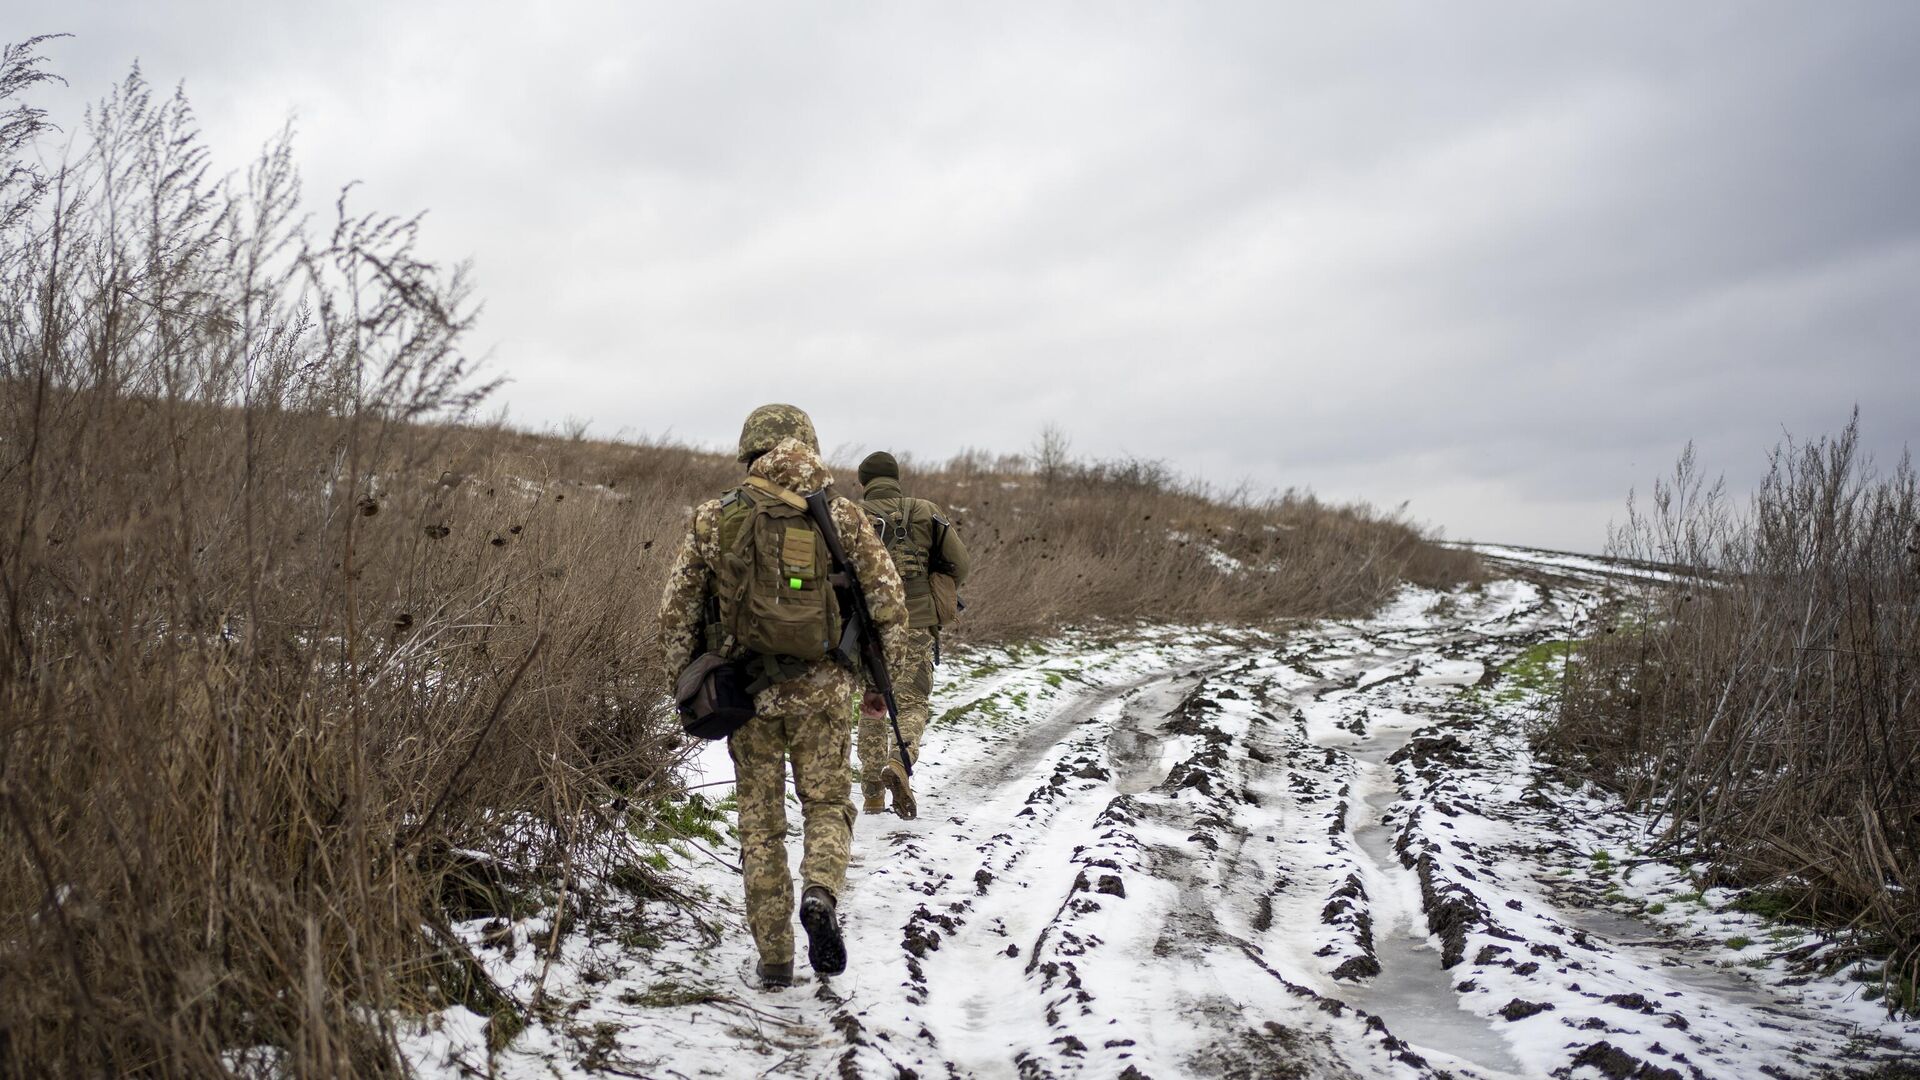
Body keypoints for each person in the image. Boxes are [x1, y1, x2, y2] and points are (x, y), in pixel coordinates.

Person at [656, 404, 911, 989]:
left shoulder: (711, 518)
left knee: (760, 824)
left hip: (746, 694)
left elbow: (673, 618)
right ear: (809, 445)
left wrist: (685, 690)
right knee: (826, 804)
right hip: (824, 692)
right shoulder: (843, 516)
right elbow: (889, 605)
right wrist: (879, 686)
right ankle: (820, 890)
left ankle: (774, 957)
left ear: (750, 450)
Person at [854, 451, 971, 819]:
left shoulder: (849, 514)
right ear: (896, 477)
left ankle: (872, 792)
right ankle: (899, 762)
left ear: (863, 482)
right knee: (911, 701)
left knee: (872, 703)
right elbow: (960, 564)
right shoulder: (925, 510)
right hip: (917, 620)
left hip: (865, 623)